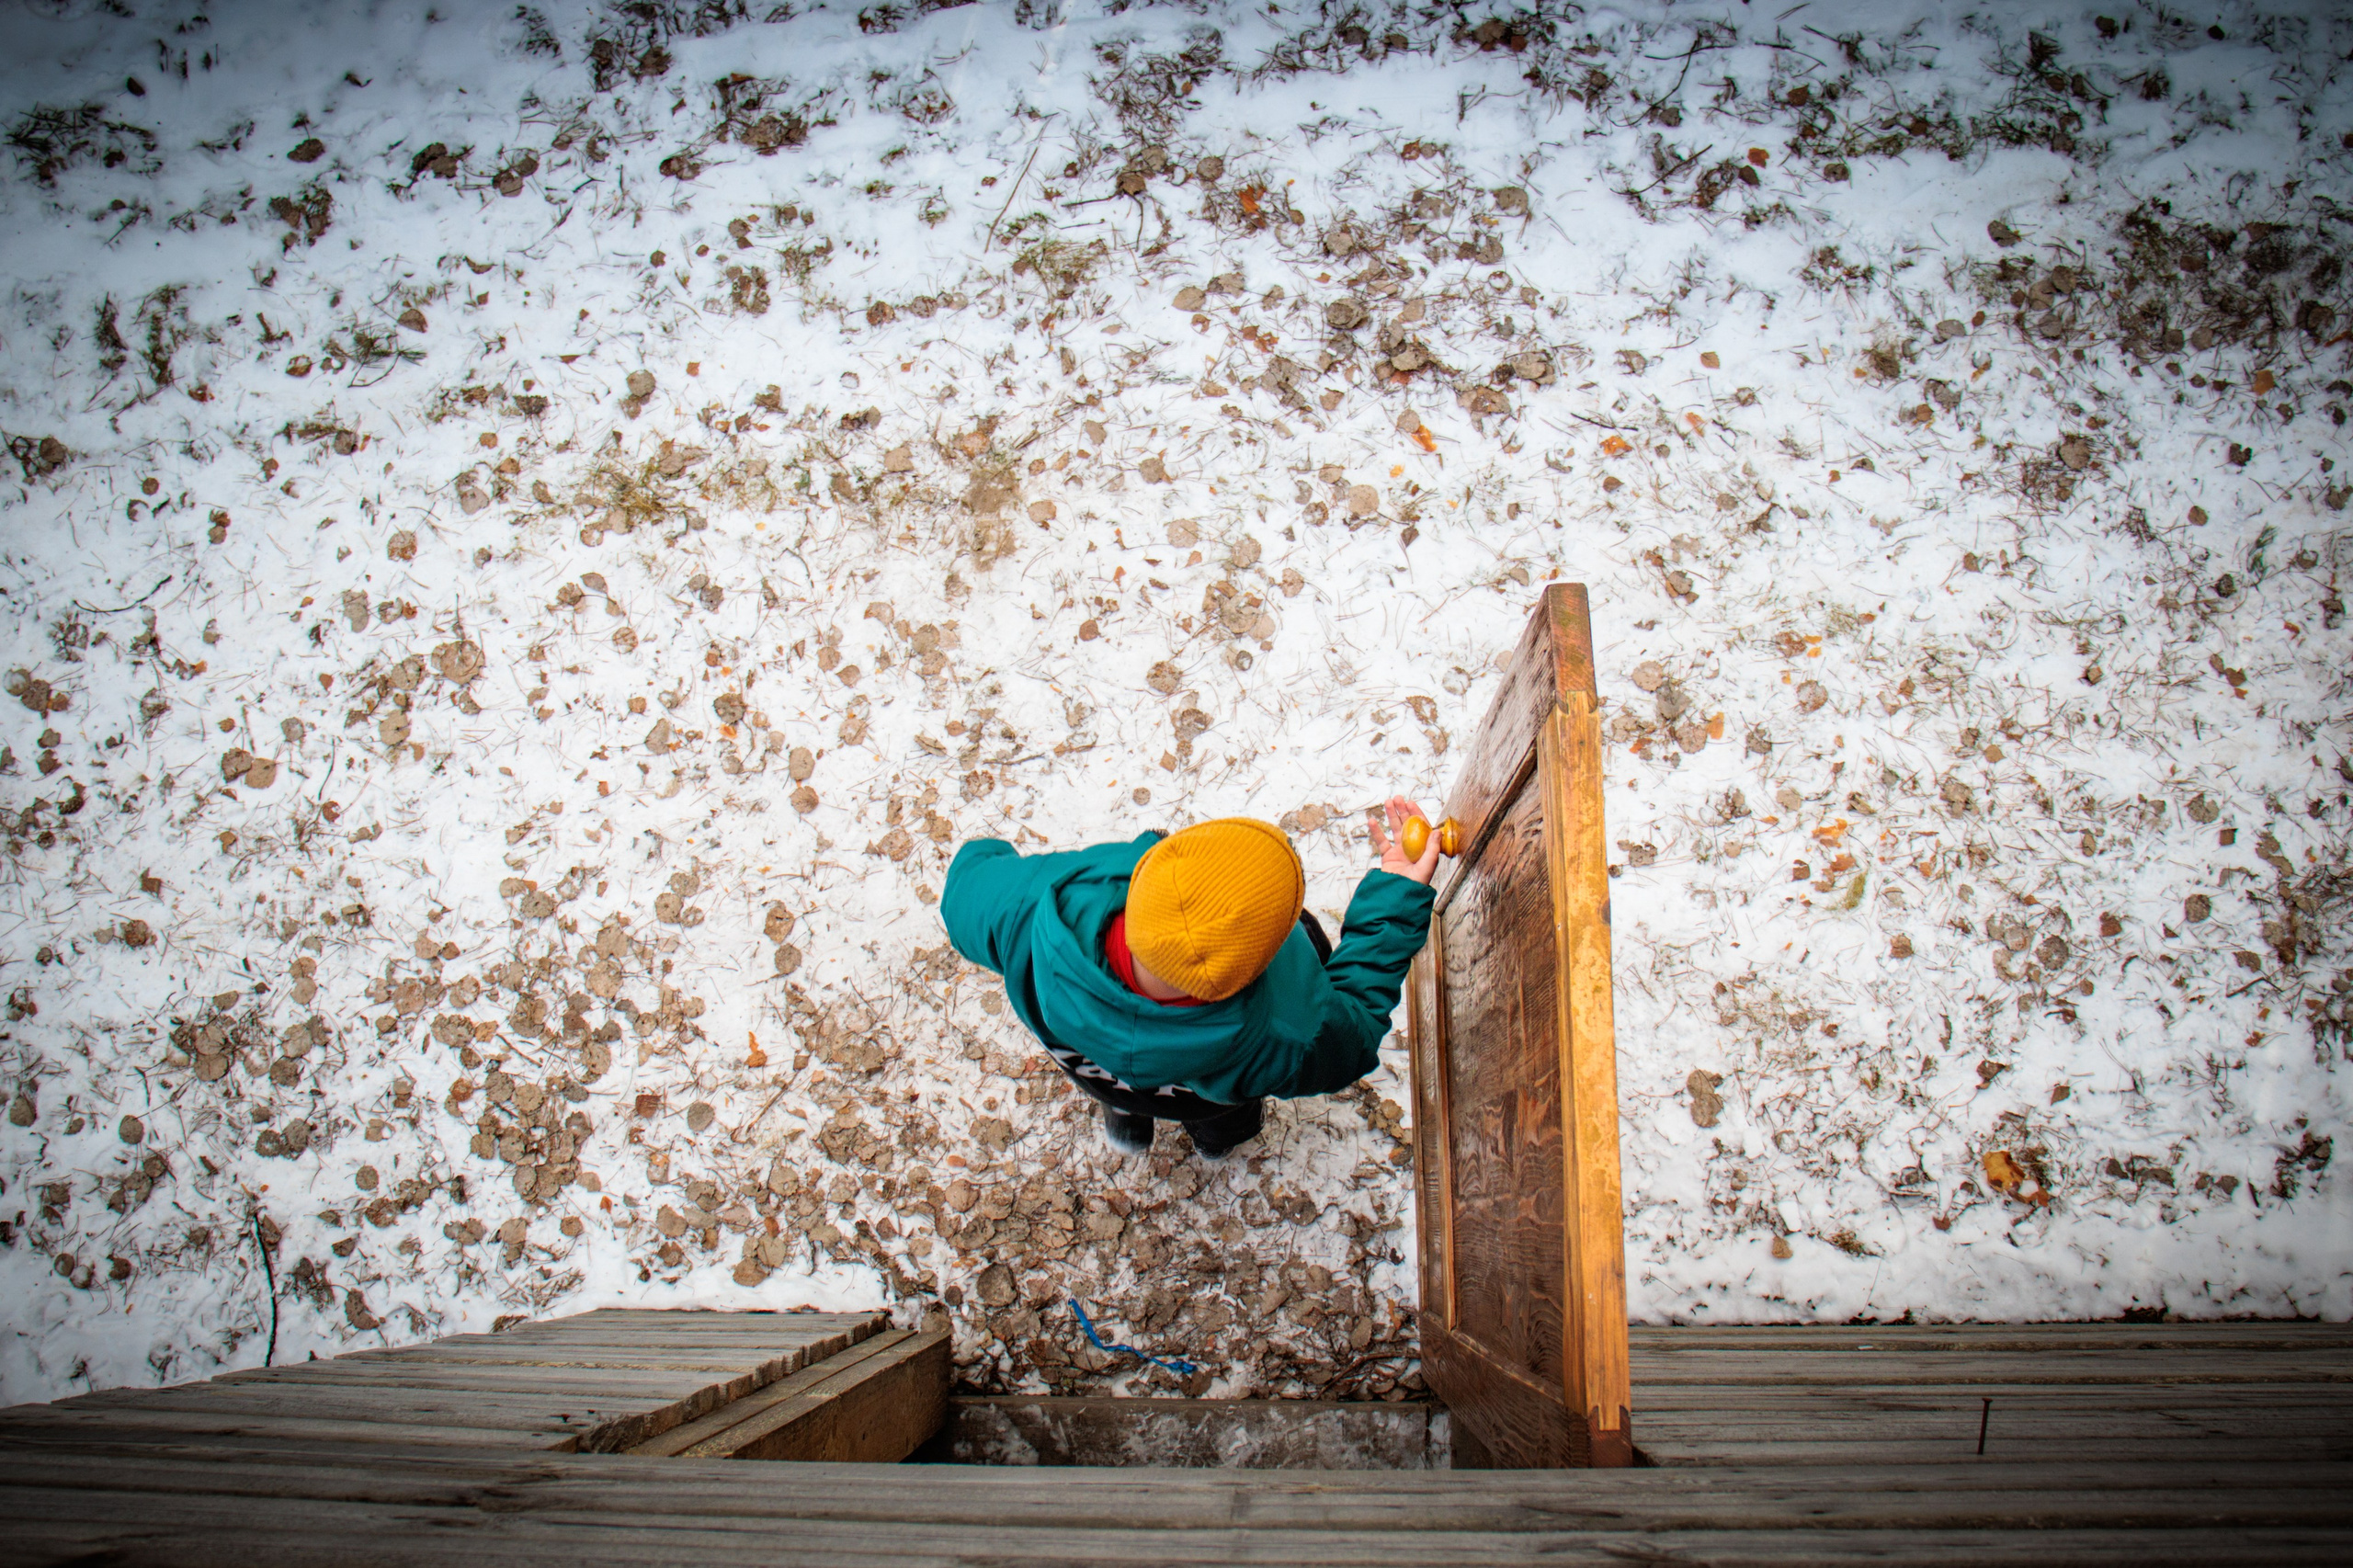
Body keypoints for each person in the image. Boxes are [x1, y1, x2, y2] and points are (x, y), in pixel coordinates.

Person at [938, 797, 1440, 1161]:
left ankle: (1126, 1126)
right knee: (1224, 1117)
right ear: (1257, 964)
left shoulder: (1031, 910)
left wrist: (992, 861)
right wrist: (1395, 894)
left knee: (1118, 1085)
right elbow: (1352, 1032)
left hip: (1092, 1060)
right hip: (1201, 1097)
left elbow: (965, 892)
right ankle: (1215, 1145)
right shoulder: (1284, 1035)